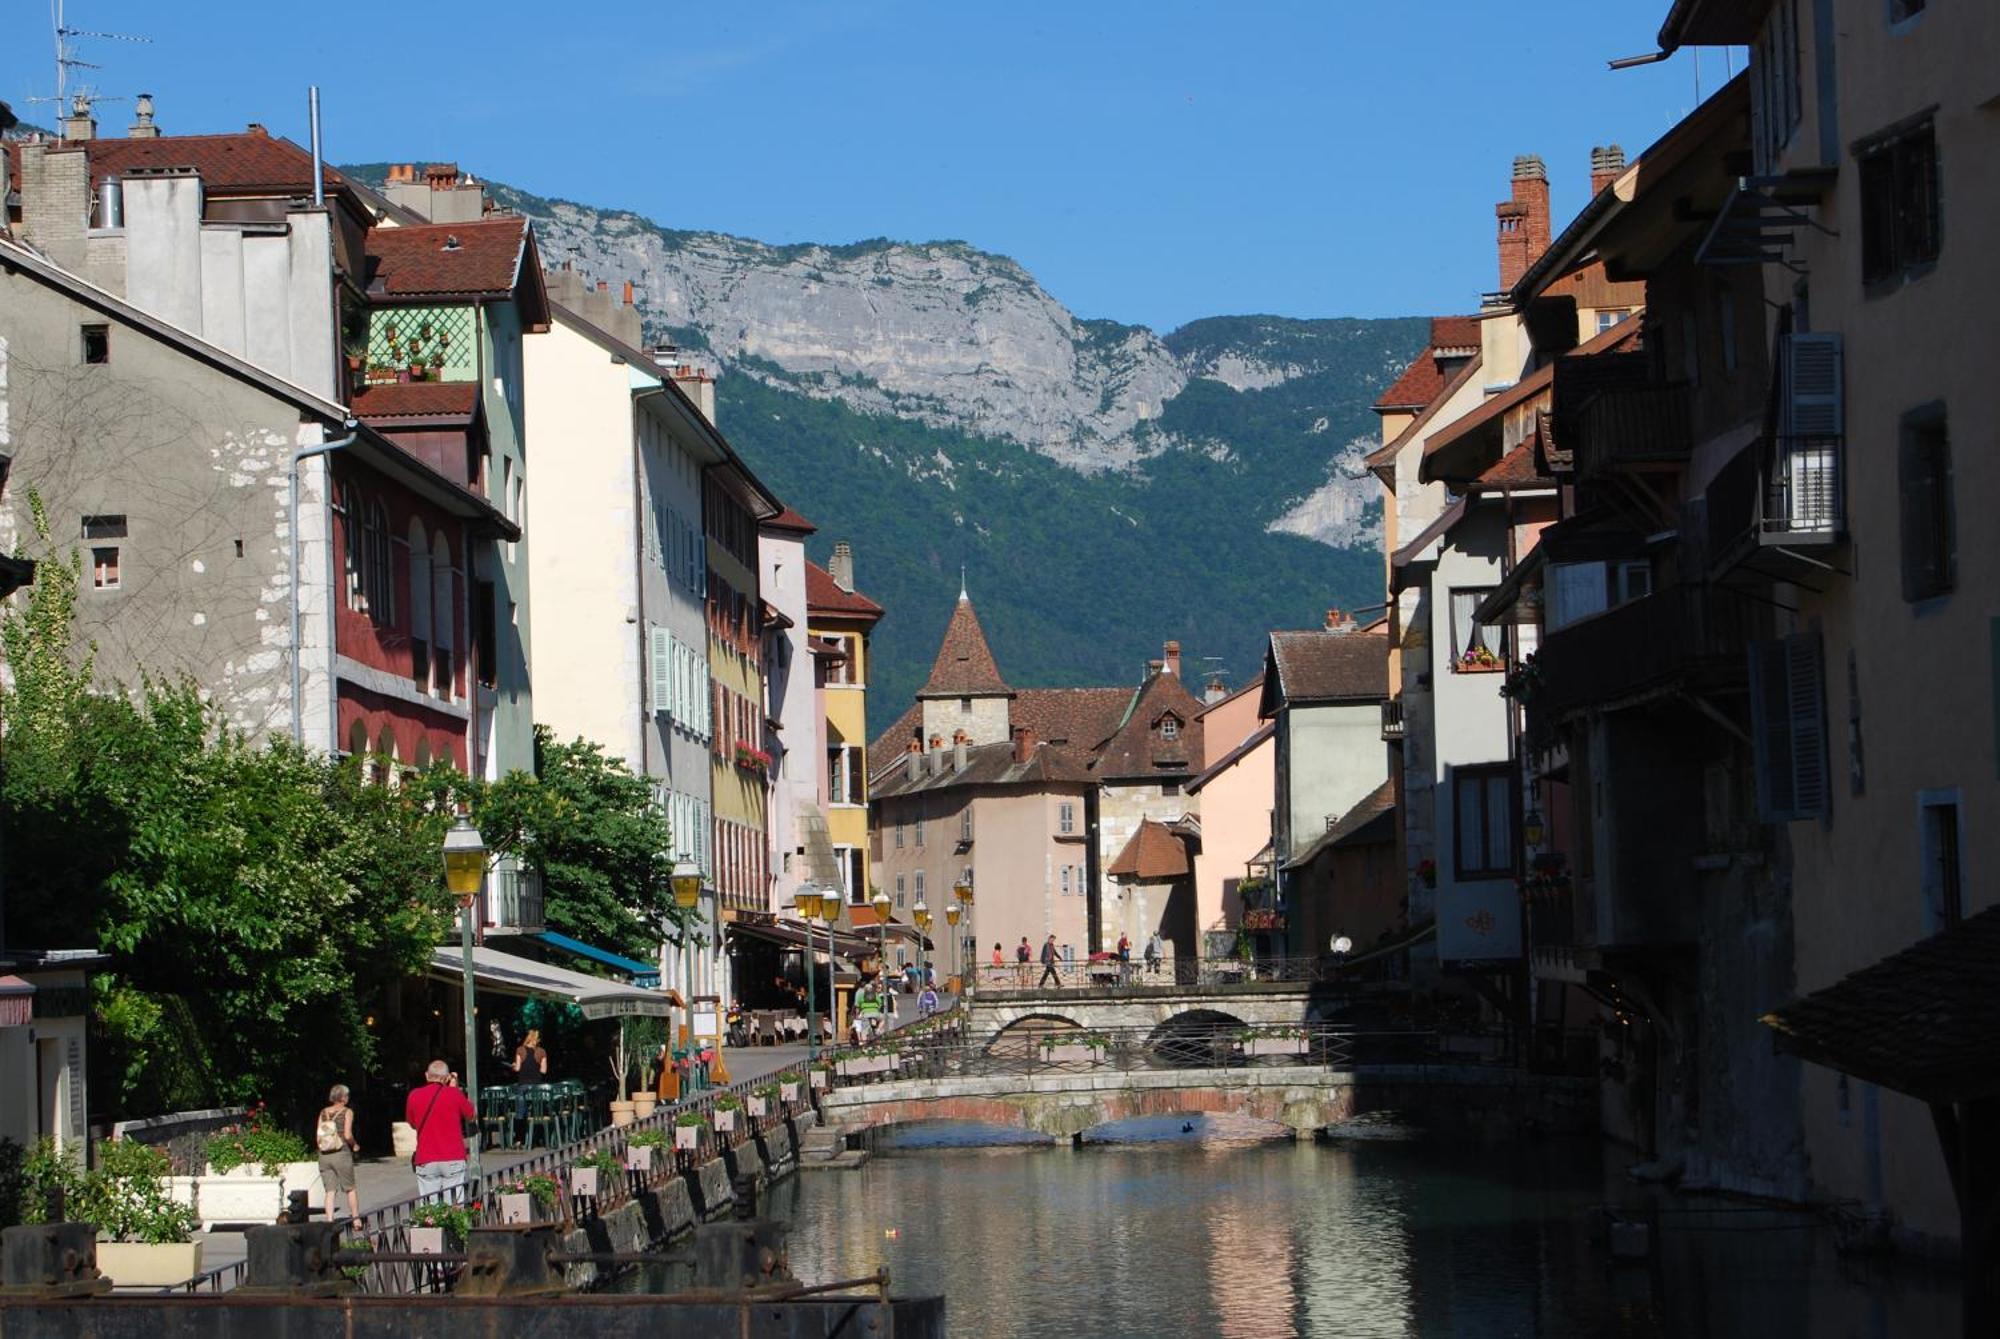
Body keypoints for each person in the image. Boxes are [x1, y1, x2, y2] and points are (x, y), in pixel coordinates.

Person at [405, 1059, 477, 1201]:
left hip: (426, 1157)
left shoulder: (414, 1095)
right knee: (455, 1205)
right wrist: (454, 1087)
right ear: (447, 1077)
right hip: (453, 1157)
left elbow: (412, 1124)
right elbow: (471, 1115)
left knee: (430, 1209)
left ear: (427, 1075)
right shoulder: (454, 1094)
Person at [315, 1084, 360, 1228]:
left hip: (324, 1155)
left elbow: (318, 1137)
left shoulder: (323, 1112)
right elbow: (347, 1134)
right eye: (347, 1095)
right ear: (343, 1097)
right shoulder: (347, 1112)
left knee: (330, 1190)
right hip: (341, 1153)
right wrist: (355, 1145)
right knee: (350, 1188)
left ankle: (329, 1221)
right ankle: (356, 1219)